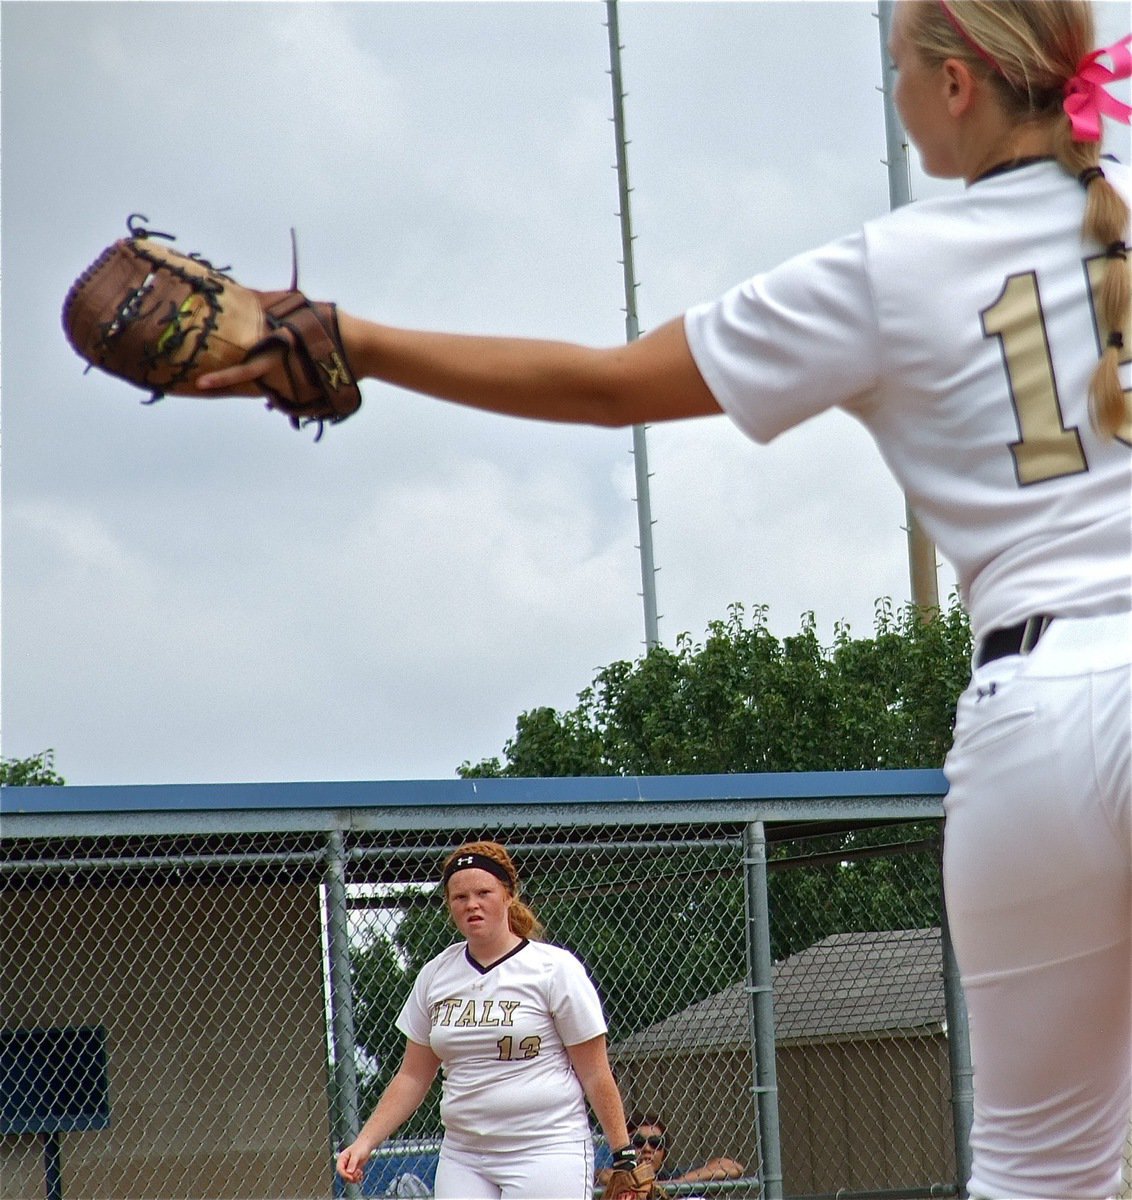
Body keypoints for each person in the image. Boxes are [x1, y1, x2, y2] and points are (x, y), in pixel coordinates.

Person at [202, 3, 1130, 1196]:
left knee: (1041, 1171)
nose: (898, 96)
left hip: (1037, 721)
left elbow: (609, 387)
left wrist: (357, 339)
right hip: (1047, 711)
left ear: (958, 86)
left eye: (901, 69)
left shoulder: (894, 267)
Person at [335, 840, 639, 1198]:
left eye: (484, 892)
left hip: (546, 1147)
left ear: (509, 894)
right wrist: (366, 1141)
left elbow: (594, 1071)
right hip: (465, 1154)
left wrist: (623, 1154)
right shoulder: (437, 974)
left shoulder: (553, 968)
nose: (472, 904)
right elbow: (413, 1075)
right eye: (459, 897)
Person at [596, 1113, 745, 1191]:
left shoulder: (671, 1176)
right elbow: (602, 1175)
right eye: (639, 1142)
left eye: (656, 1144)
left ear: (664, 1152)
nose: (647, 1149)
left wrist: (676, 1185)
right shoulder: (616, 1174)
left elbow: (733, 1167)